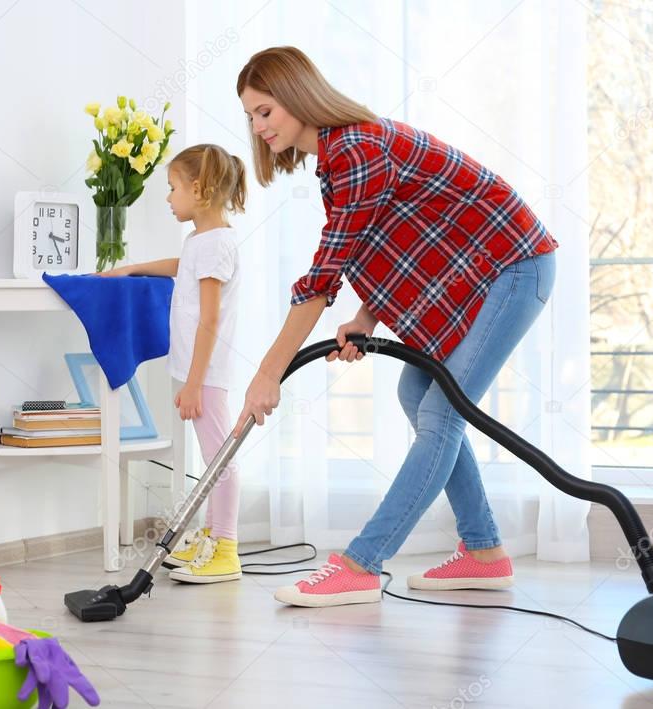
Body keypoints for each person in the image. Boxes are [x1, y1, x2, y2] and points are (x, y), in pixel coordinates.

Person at [233, 47, 559, 608]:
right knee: (419, 392)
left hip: (512, 265)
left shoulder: (356, 149)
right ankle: (485, 554)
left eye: (265, 111)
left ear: (296, 95)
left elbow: (321, 277)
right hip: (485, 271)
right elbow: (384, 240)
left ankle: (362, 564)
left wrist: (269, 374)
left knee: (440, 412)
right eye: (251, 117)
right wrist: (365, 317)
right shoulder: (338, 157)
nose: (258, 127)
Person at [100, 144, 246, 584]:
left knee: (221, 457)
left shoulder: (217, 242)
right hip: (195, 370)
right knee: (212, 454)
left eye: (172, 188)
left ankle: (226, 548)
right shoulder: (201, 240)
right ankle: (211, 538)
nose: (168, 198)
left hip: (207, 374)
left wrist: (195, 384)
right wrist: (134, 268)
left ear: (198, 189)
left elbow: (210, 316)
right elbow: (184, 267)